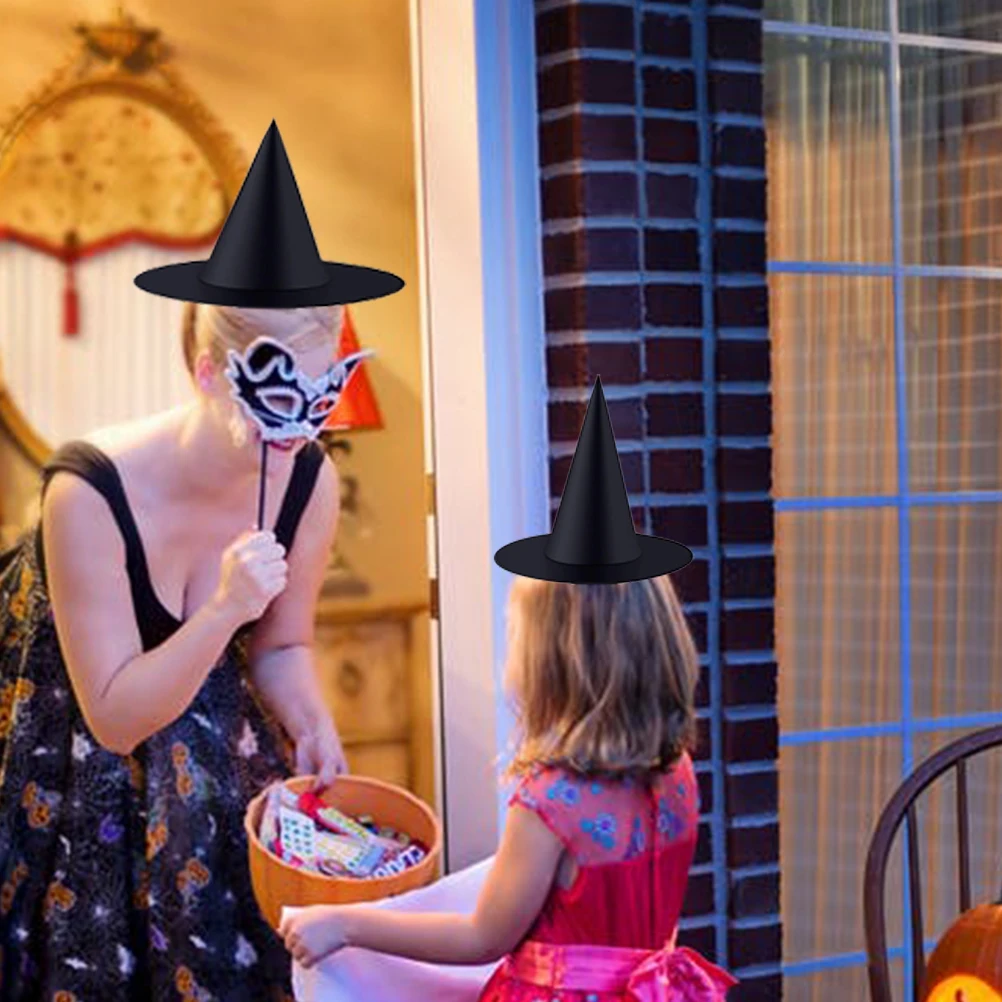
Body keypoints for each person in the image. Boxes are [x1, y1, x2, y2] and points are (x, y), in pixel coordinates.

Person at [0, 302, 349, 1001]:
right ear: (209, 373)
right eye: (278, 399)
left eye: (322, 399)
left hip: (203, 762)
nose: (298, 431)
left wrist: (312, 720)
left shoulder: (309, 481)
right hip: (65, 760)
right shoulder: (88, 490)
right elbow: (113, 719)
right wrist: (224, 608)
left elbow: (282, 645)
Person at [280, 574, 737, 1002]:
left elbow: (482, 937)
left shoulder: (550, 801)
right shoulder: (677, 772)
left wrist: (345, 925)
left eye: (516, 633)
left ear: (551, 660)